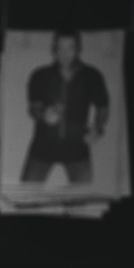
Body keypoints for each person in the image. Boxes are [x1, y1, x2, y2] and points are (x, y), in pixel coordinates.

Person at [21, 28, 110, 185]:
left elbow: (102, 104)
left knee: (82, 200)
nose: (65, 54)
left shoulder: (92, 76)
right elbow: (33, 107)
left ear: (78, 49)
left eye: (70, 48)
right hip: (42, 147)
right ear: (54, 49)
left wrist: (99, 127)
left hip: (78, 150)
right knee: (25, 196)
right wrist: (43, 114)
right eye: (60, 48)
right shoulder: (40, 75)